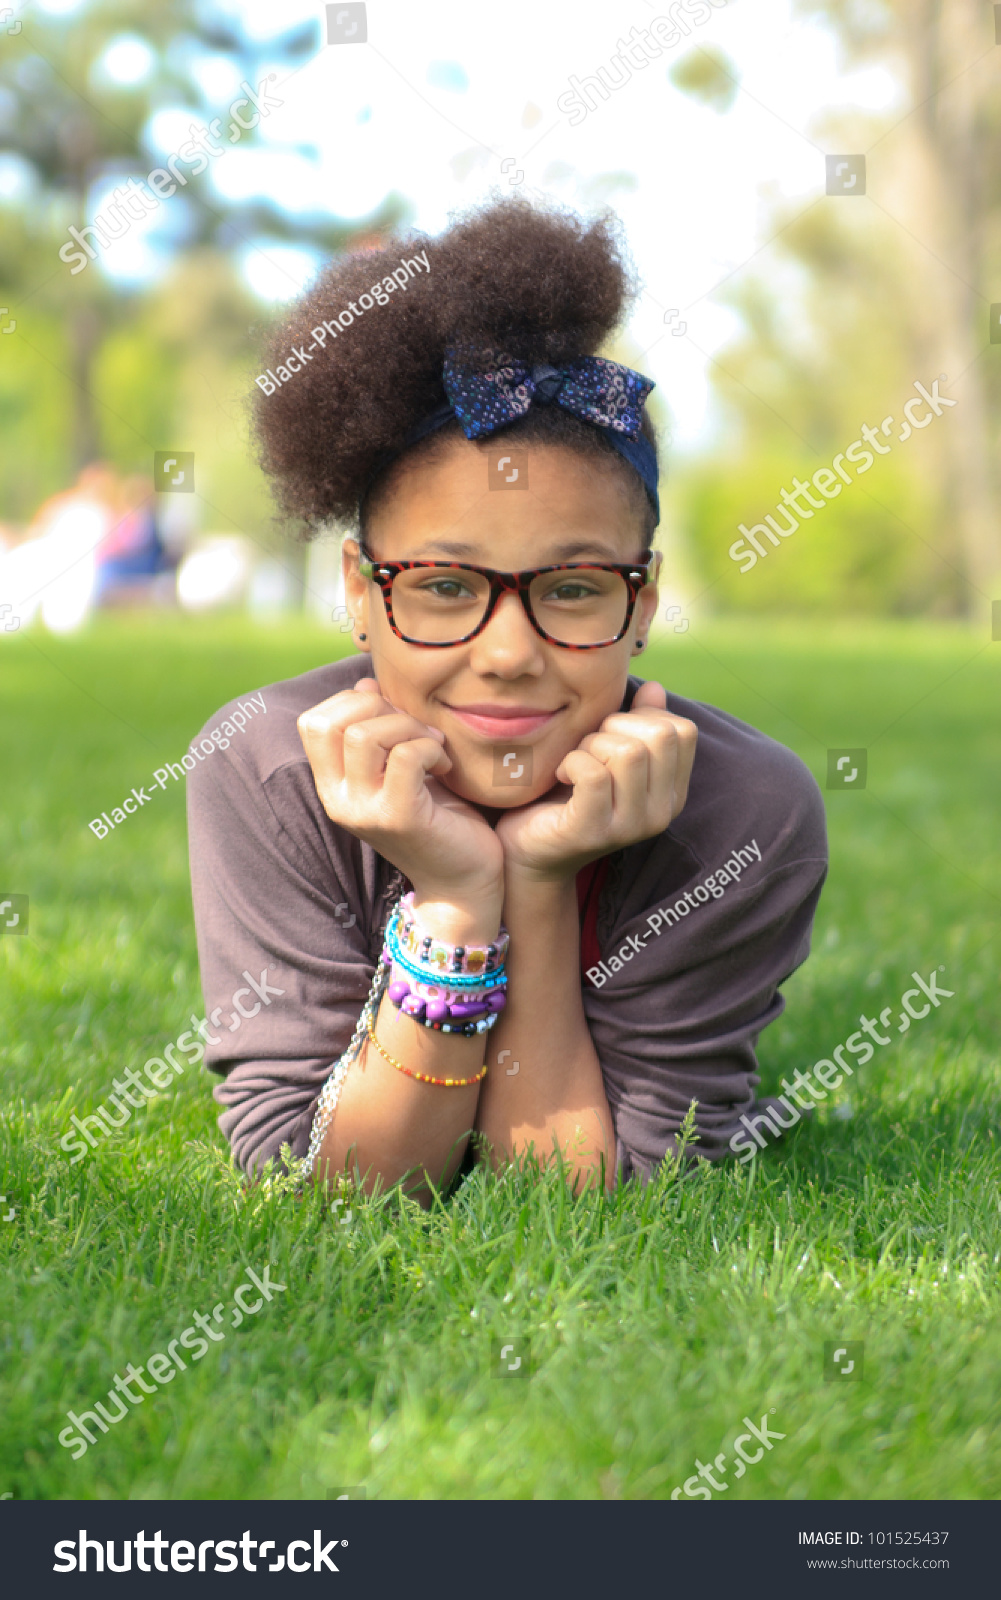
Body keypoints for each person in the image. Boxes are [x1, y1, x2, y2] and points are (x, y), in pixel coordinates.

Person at [187, 198, 827, 1203]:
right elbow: (333, 1187)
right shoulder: (264, 767)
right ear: (359, 591)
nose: (507, 653)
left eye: (571, 588)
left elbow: (585, 1193)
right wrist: (451, 901)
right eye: (444, 585)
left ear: (642, 599)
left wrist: (532, 879)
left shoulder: (743, 813)